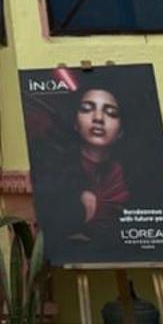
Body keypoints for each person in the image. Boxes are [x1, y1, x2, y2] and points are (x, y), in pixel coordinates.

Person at [44, 83, 130, 250]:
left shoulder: (125, 178)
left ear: (120, 131)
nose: (98, 118)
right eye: (87, 109)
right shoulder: (53, 171)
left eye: (111, 113)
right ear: (75, 123)